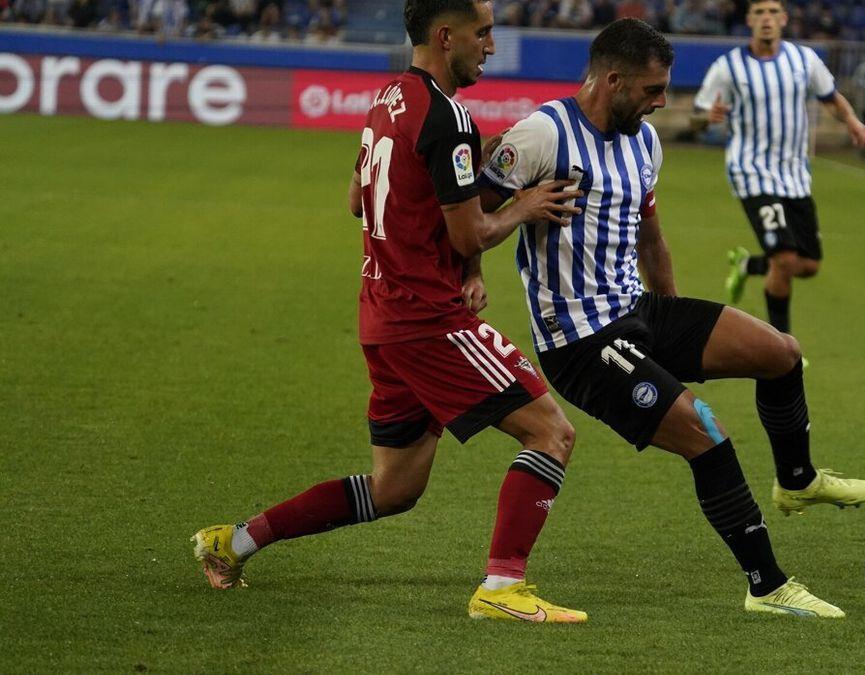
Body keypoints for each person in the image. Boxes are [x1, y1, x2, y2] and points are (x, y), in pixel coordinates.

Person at [192, 0, 593, 624]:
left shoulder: (388, 99)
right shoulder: (448, 116)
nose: (491, 46)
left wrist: (456, 185)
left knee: (394, 488)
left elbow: (358, 200)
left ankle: (233, 542)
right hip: (427, 319)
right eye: (483, 33)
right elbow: (470, 233)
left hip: (382, 317)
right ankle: (502, 588)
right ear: (446, 35)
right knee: (552, 433)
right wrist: (524, 204)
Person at [478, 17, 865, 619]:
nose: (663, 102)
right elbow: (468, 219)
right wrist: (478, 264)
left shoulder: (645, 141)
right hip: (582, 341)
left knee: (781, 352)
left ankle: (796, 480)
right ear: (613, 81)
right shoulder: (541, 134)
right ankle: (768, 587)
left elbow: (650, 236)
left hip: (641, 312)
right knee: (706, 434)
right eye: (653, 90)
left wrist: (675, 319)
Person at [693, 0, 865, 340]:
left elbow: (830, 97)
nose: (767, 19)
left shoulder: (804, 60)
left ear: (784, 19)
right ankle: (782, 348)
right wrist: (705, 119)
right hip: (752, 173)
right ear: (749, 20)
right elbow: (697, 116)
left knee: (809, 265)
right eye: (759, 12)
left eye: (773, 12)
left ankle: (748, 265)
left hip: (795, 176)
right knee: (786, 259)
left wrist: (853, 121)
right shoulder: (728, 67)